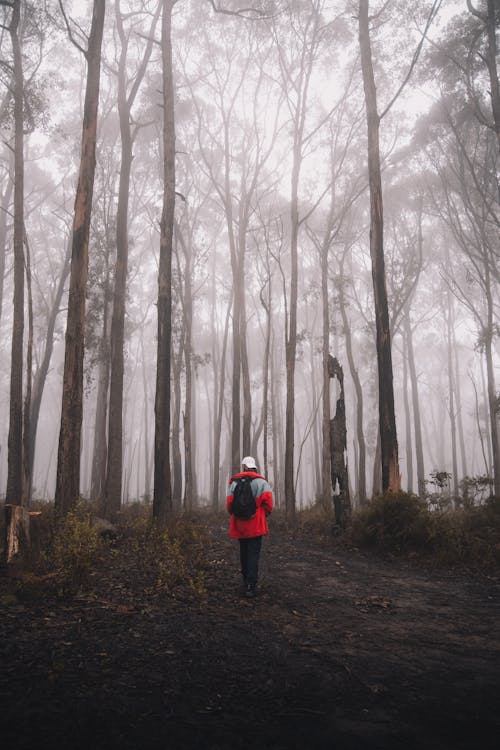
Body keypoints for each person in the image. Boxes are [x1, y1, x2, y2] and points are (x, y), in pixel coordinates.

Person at [226, 456, 273, 598]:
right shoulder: (261, 482)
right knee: (254, 553)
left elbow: (229, 504)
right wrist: (262, 513)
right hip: (256, 524)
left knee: (244, 552)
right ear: (254, 467)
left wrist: (235, 514)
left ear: (244, 467)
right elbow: (269, 504)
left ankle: (245, 580)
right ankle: (251, 586)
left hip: (240, 524)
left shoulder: (234, 483)